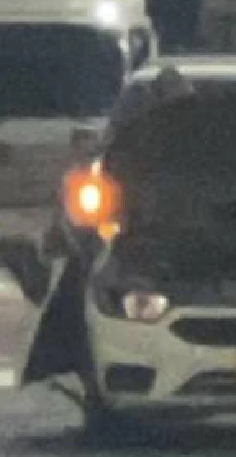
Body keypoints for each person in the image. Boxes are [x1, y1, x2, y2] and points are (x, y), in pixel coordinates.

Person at [22, 66, 198, 413]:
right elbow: (81, 213)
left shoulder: (199, 152)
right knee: (87, 300)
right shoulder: (126, 149)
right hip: (128, 250)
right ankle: (91, 378)